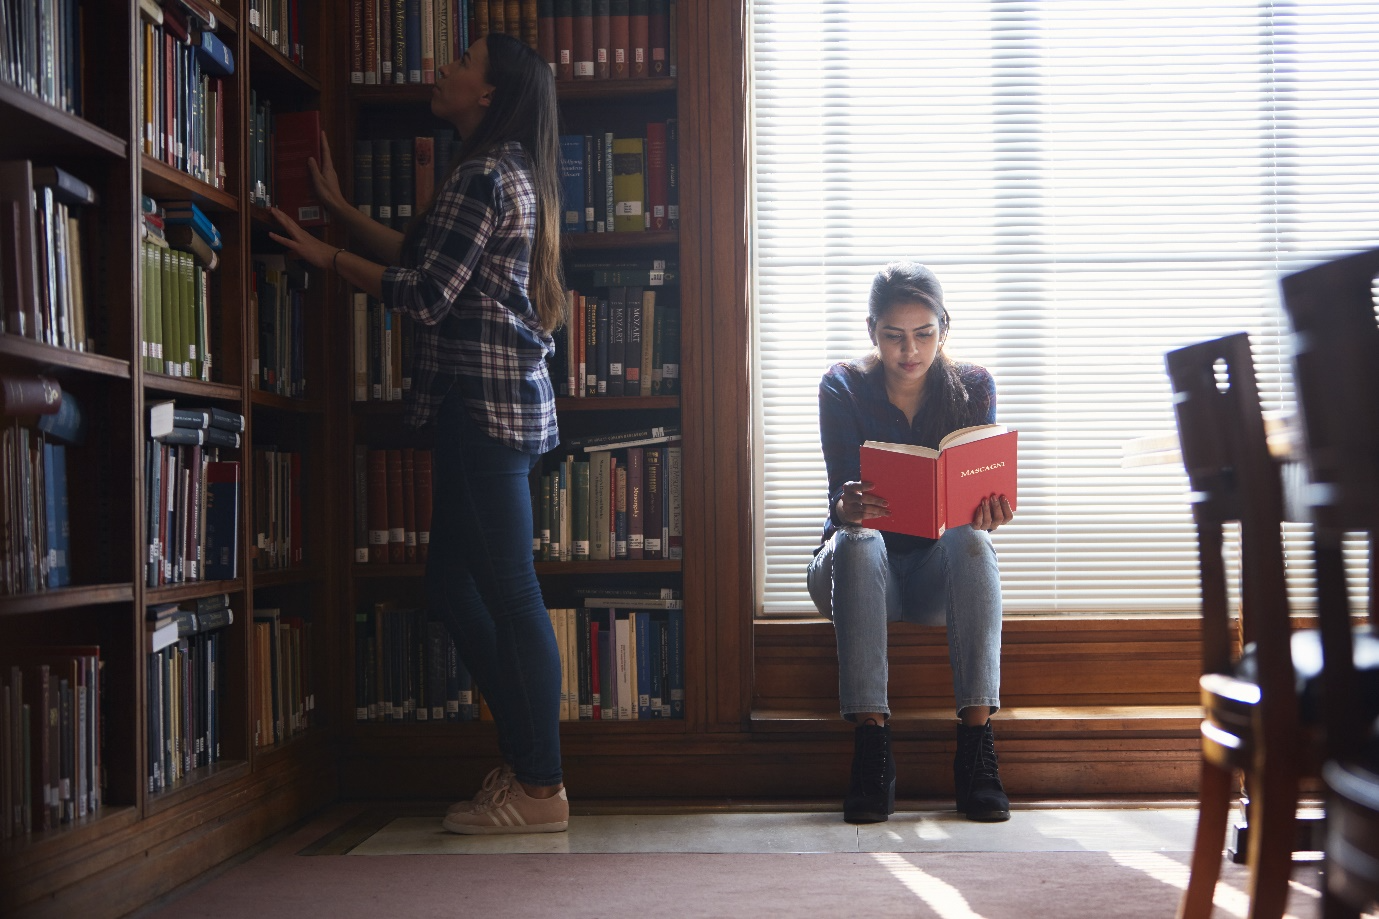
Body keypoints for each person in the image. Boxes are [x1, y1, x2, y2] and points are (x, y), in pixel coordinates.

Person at [270, 33, 569, 835]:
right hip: (495, 407)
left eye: (461, 61)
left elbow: (426, 292)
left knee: (509, 591)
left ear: (488, 92)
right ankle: (528, 759)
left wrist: (324, 256)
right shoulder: (510, 171)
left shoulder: (481, 174)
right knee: (456, 587)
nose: (443, 68)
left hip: (481, 409)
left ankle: (540, 785)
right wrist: (340, 215)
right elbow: (431, 257)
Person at [807, 261, 1015, 825]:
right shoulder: (843, 384)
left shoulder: (973, 386)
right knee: (858, 542)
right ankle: (871, 748)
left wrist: (986, 511)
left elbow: (976, 490)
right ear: (872, 331)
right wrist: (846, 507)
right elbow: (838, 489)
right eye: (894, 336)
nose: (910, 350)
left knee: (973, 541)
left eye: (924, 334)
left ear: (944, 327)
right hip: (853, 570)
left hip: (927, 574)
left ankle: (976, 749)